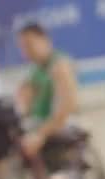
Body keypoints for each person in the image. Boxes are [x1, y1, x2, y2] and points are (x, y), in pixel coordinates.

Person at [15, 23, 79, 160]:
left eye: (29, 44)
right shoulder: (35, 72)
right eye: (23, 47)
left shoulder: (60, 65)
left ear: (44, 40)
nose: (26, 51)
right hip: (37, 125)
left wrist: (41, 134)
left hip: (55, 128)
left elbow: (69, 106)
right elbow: (25, 107)